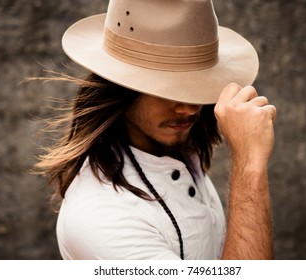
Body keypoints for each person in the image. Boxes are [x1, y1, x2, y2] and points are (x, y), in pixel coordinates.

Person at [36, 0, 276, 260]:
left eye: (197, 83)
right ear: (120, 88)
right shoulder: (102, 216)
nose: (189, 107)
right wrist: (250, 162)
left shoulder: (172, 148)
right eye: (167, 88)